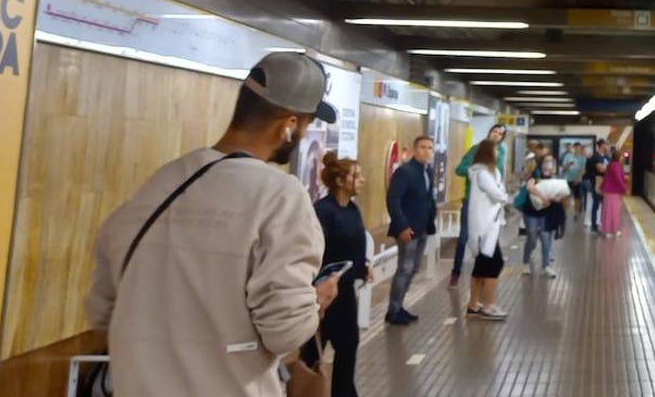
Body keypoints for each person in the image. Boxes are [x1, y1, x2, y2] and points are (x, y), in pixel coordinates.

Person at [85, 52, 340, 397]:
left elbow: (102, 310)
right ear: (289, 124)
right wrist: (316, 300)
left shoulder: (161, 182)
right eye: (308, 123)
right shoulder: (279, 196)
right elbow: (286, 331)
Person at [305, 153, 371, 397]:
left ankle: (343, 392)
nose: (362, 180)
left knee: (348, 345)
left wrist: (364, 265)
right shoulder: (323, 212)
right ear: (341, 181)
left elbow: (354, 245)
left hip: (344, 293)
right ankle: (310, 390)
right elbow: (314, 252)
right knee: (313, 351)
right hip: (322, 294)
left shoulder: (352, 209)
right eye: (356, 175)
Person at [386, 135, 437, 325]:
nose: (427, 151)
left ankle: (399, 306)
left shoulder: (427, 171)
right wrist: (402, 225)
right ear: (415, 150)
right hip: (408, 228)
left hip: (423, 227)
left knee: (413, 268)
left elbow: (427, 198)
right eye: (423, 147)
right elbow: (393, 199)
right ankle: (393, 310)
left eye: (430, 148)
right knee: (405, 268)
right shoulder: (405, 172)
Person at [450, 125, 507, 287]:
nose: (497, 135)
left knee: (487, 240)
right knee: (465, 237)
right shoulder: (476, 150)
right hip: (472, 200)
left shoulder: (501, 153)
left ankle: (481, 272)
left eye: (500, 134)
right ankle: (456, 272)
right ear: (489, 132)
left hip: (489, 204)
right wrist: (473, 171)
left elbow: (498, 176)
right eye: (495, 132)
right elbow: (459, 169)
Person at [466, 139, 510, 320]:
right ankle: (487, 305)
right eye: (495, 150)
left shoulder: (489, 172)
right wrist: (504, 195)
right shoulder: (482, 174)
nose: (498, 154)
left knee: (482, 266)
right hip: (484, 226)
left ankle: (473, 304)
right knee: (494, 264)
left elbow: (500, 191)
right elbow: (498, 194)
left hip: (488, 225)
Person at [523, 154, 566, 276]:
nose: (548, 164)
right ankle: (526, 262)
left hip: (546, 212)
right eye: (546, 161)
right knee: (531, 236)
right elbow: (530, 187)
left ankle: (546, 265)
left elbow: (560, 193)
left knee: (546, 238)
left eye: (551, 161)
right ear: (541, 163)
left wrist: (556, 197)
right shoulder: (535, 174)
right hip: (531, 211)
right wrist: (543, 196)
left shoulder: (554, 177)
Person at [599, 147, 629, 236]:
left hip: (609, 192)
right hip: (613, 192)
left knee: (607, 211)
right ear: (618, 157)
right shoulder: (616, 165)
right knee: (614, 212)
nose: (623, 158)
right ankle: (613, 230)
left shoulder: (611, 165)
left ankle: (607, 230)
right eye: (621, 156)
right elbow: (617, 179)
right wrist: (624, 188)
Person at [586, 140, 610, 233]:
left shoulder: (606, 156)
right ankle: (594, 226)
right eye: (607, 145)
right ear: (602, 145)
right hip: (597, 183)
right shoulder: (596, 157)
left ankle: (604, 224)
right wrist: (611, 167)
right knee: (596, 204)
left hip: (605, 183)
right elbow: (601, 169)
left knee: (604, 205)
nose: (608, 147)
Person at [560, 142, 587, 220]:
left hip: (577, 181)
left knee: (577, 197)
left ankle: (576, 213)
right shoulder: (568, 156)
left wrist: (578, 178)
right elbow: (564, 168)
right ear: (574, 148)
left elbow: (583, 170)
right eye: (576, 148)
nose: (577, 149)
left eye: (579, 148)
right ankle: (564, 213)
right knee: (565, 196)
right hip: (567, 179)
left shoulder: (582, 158)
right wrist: (568, 165)